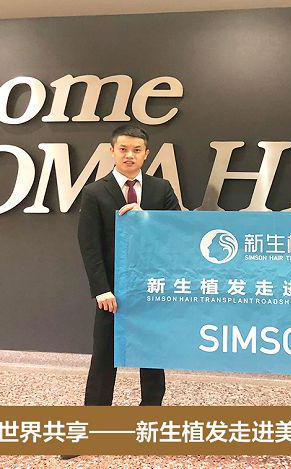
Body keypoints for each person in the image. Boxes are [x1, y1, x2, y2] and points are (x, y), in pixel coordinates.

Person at [77, 124, 181, 407]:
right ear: (112, 151)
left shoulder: (161, 188)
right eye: (123, 149)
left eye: (136, 150)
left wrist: (145, 217)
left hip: (151, 287)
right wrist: (101, 289)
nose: (129, 155)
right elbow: (89, 245)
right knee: (104, 358)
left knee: (152, 357)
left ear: (146, 153)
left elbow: (177, 231)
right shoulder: (94, 192)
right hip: (112, 291)